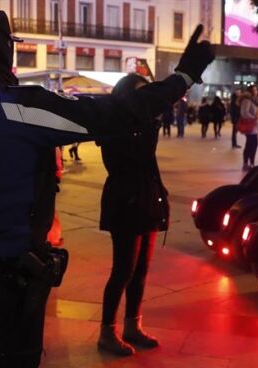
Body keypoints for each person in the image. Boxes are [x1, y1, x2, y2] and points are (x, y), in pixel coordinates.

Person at [0, 11, 213, 368]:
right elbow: (117, 112)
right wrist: (183, 77)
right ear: (3, 52)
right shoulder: (19, 107)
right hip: (10, 278)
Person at [97, 73, 168, 356]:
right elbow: (133, 158)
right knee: (123, 269)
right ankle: (106, 332)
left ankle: (132, 326)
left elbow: (149, 163)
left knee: (141, 270)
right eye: (140, 94)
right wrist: (149, 128)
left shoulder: (144, 122)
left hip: (146, 198)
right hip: (125, 200)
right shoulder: (115, 124)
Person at [239, 85, 258, 170]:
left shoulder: (254, 100)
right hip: (250, 126)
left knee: (252, 144)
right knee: (251, 145)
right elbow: (244, 112)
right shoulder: (247, 100)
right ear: (250, 91)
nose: (256, 91)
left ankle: (251, 163)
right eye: (254, 90)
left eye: (256, 89)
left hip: (254, 126)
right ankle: (247, 163)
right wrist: (253, 118)